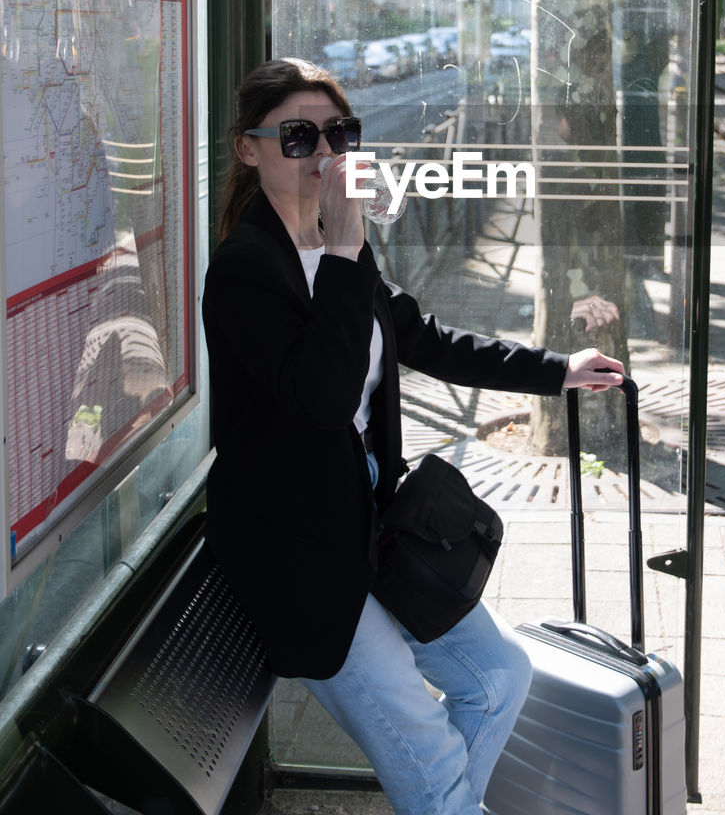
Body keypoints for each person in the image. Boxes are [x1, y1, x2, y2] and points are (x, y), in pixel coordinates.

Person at [202, 57, 625, 815]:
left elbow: (426, 339)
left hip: (367, 530)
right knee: (431, 766)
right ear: (249, 149)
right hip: (300, 560)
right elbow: (325, 401)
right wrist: (342, 245)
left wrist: (558, 370)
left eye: (340, 133)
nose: (325, 154)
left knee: (499, 677)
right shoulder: (247, 270)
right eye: (299, 137)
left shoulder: (340, 253)